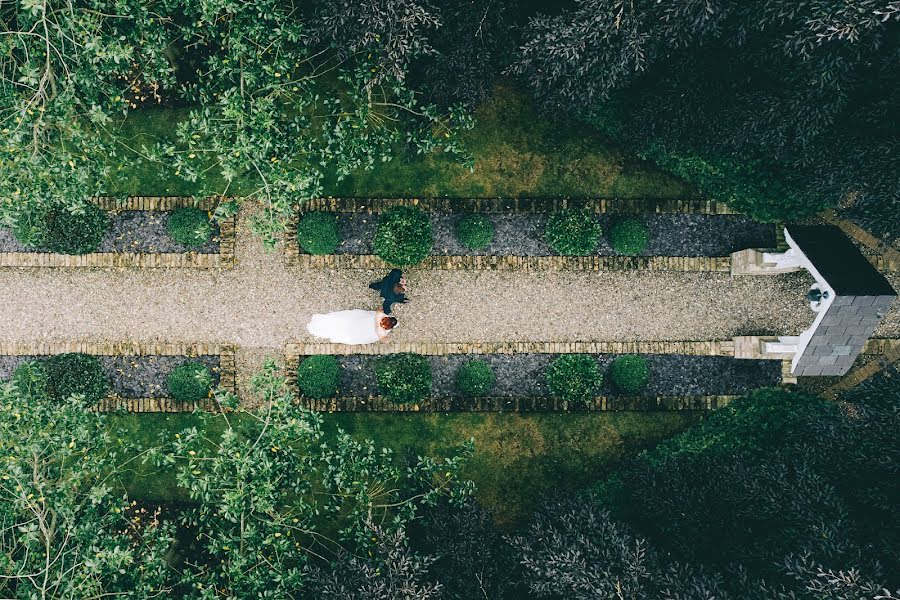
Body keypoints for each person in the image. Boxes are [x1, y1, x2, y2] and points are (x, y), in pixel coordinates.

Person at [307, 309, 397, 345]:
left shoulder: (380, 316)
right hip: (361, 331)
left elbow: (379, 310)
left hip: (360, 322)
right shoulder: (382, 332)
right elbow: (385, 341)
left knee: (344, 321)